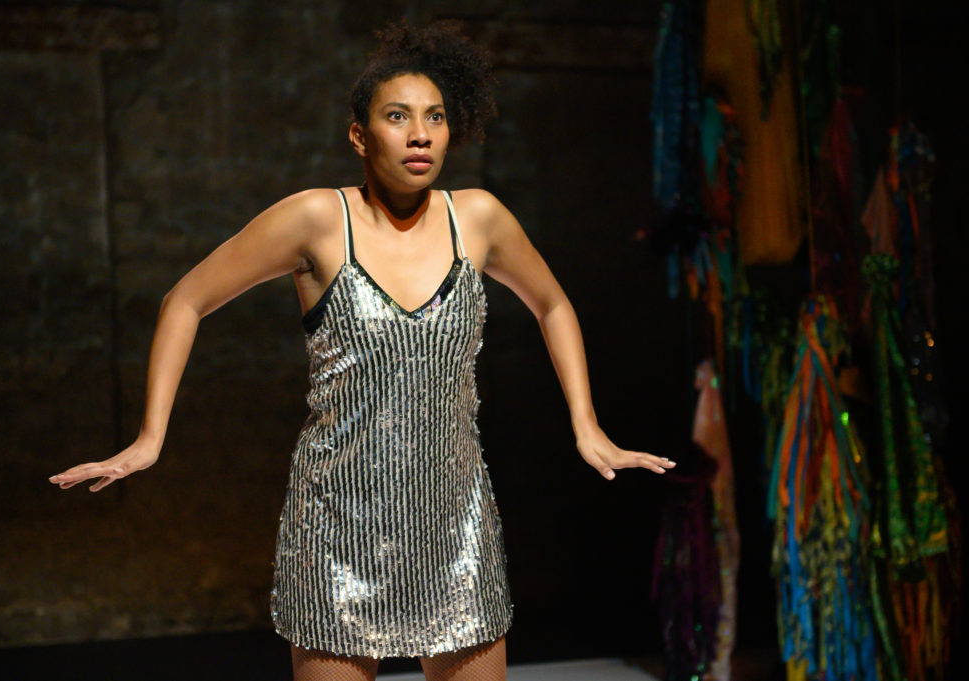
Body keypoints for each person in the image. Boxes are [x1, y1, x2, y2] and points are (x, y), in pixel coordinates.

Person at [49, 20, 676, 681]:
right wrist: (150, 437)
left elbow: (552, 303)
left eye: (435, 117)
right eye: (397, 116)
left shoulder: (478, 219)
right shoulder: (318, 220)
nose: (420, 134)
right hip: (336, 530)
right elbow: (186, 299)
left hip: (453, 525)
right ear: (359, 135)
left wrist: (586, 423)